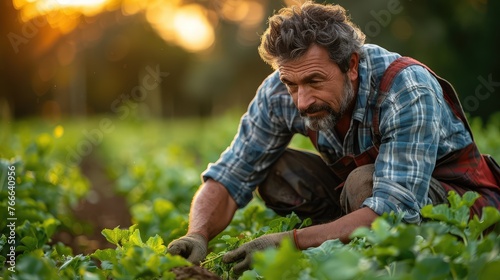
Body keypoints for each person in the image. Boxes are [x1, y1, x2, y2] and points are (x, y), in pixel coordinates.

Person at [167, 0, 500, 275]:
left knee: (361, 182)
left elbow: (393, 211)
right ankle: (338, 237)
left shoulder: (405, 88)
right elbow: (229, 175)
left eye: (314, 81)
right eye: (291, 84)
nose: (301, 100)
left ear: (351, 65)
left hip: (459, 205)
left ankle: (348, 248)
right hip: (366, 198)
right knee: (274, 170)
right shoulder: (281, 90)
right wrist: (197, 233)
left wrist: (292, 241)